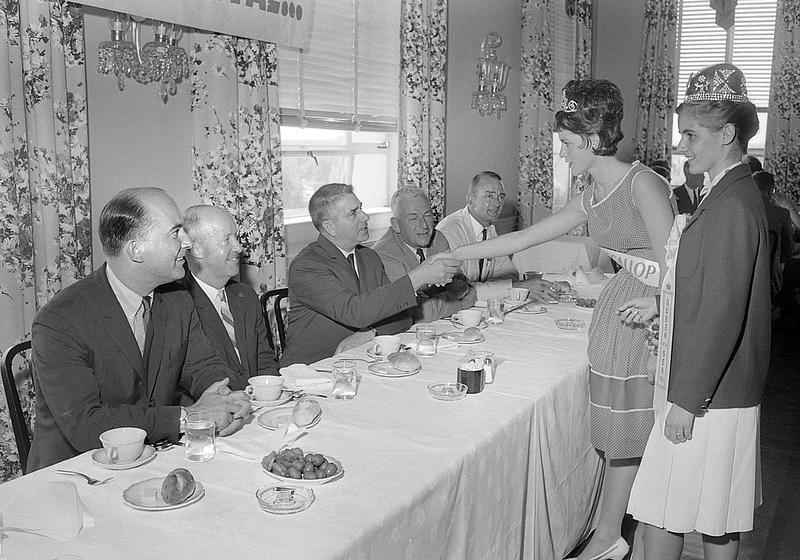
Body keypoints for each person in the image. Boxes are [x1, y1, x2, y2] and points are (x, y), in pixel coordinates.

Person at [443, 79, 676, 560]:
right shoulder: (592, 195)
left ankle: (632, 530)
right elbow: (520, 239)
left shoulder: (644, 183)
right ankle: (610, 532)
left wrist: (657, 304)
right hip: (618, 309)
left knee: (637, 427)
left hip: (647, 313)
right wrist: (449, 256)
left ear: (593, 140)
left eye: (569, 145)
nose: (565, 154)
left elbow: (676, 264)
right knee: (618, 430)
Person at [624, 63, 770, 560]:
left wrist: (685, 401)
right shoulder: (728, 194)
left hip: (707, 392)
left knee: (673, 509)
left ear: (727, 134)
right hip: (719, 388)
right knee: (715, 510)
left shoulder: (731, 207)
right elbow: (714, 287)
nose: (681, 145)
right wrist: (664, 301)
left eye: (690, 134)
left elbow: (723, 314)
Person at [29, 188, 250, 471]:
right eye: (175, 233)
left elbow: (203, 365)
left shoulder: (177, 299)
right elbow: (87, 424)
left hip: (152, 459)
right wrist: (188, 416)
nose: (187, 243)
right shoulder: (60, 320)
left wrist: (224, 398)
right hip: (77, 473)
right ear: (136, 249)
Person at [280, 183, 459, 366]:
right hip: (312, 371)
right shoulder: (306, 266)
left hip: (359, 363)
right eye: (353, 213)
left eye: (361, 209)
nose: (365, 217)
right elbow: (355, 312)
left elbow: (403, 317)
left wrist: (371, 333)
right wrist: (419, 277)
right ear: (329, 227)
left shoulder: (369, 257)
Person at [181, 205, 278, 391]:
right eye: (227, 240)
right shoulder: (179, 305)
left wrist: (270, 394)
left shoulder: (245, 296)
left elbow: (264, 359)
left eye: (236, 237)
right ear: (197, 250)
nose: (239, 248)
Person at [436, 171, 557, 302]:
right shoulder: (449, 231)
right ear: (471, 199)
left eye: (500, 197)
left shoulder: (489, 229)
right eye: (489, 196)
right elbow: (460, 290)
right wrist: (509, 287)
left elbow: (509, 273)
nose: (497, 203)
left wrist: (490, 288)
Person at [373, 187, 477, 322]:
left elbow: (461, 285)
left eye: (427, 216)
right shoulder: (383, 253)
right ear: (396, 225)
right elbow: (417, 312)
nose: (424, 225)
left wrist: (434, 301)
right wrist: (461, 304)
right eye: (413, 218)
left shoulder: (437, 238)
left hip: (443, 323)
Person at [752, 171, 793, 302]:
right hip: (769, 282)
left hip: (740, 279)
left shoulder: (740, 210)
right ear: (770, 191)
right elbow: (787, 252)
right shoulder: (782, 214)